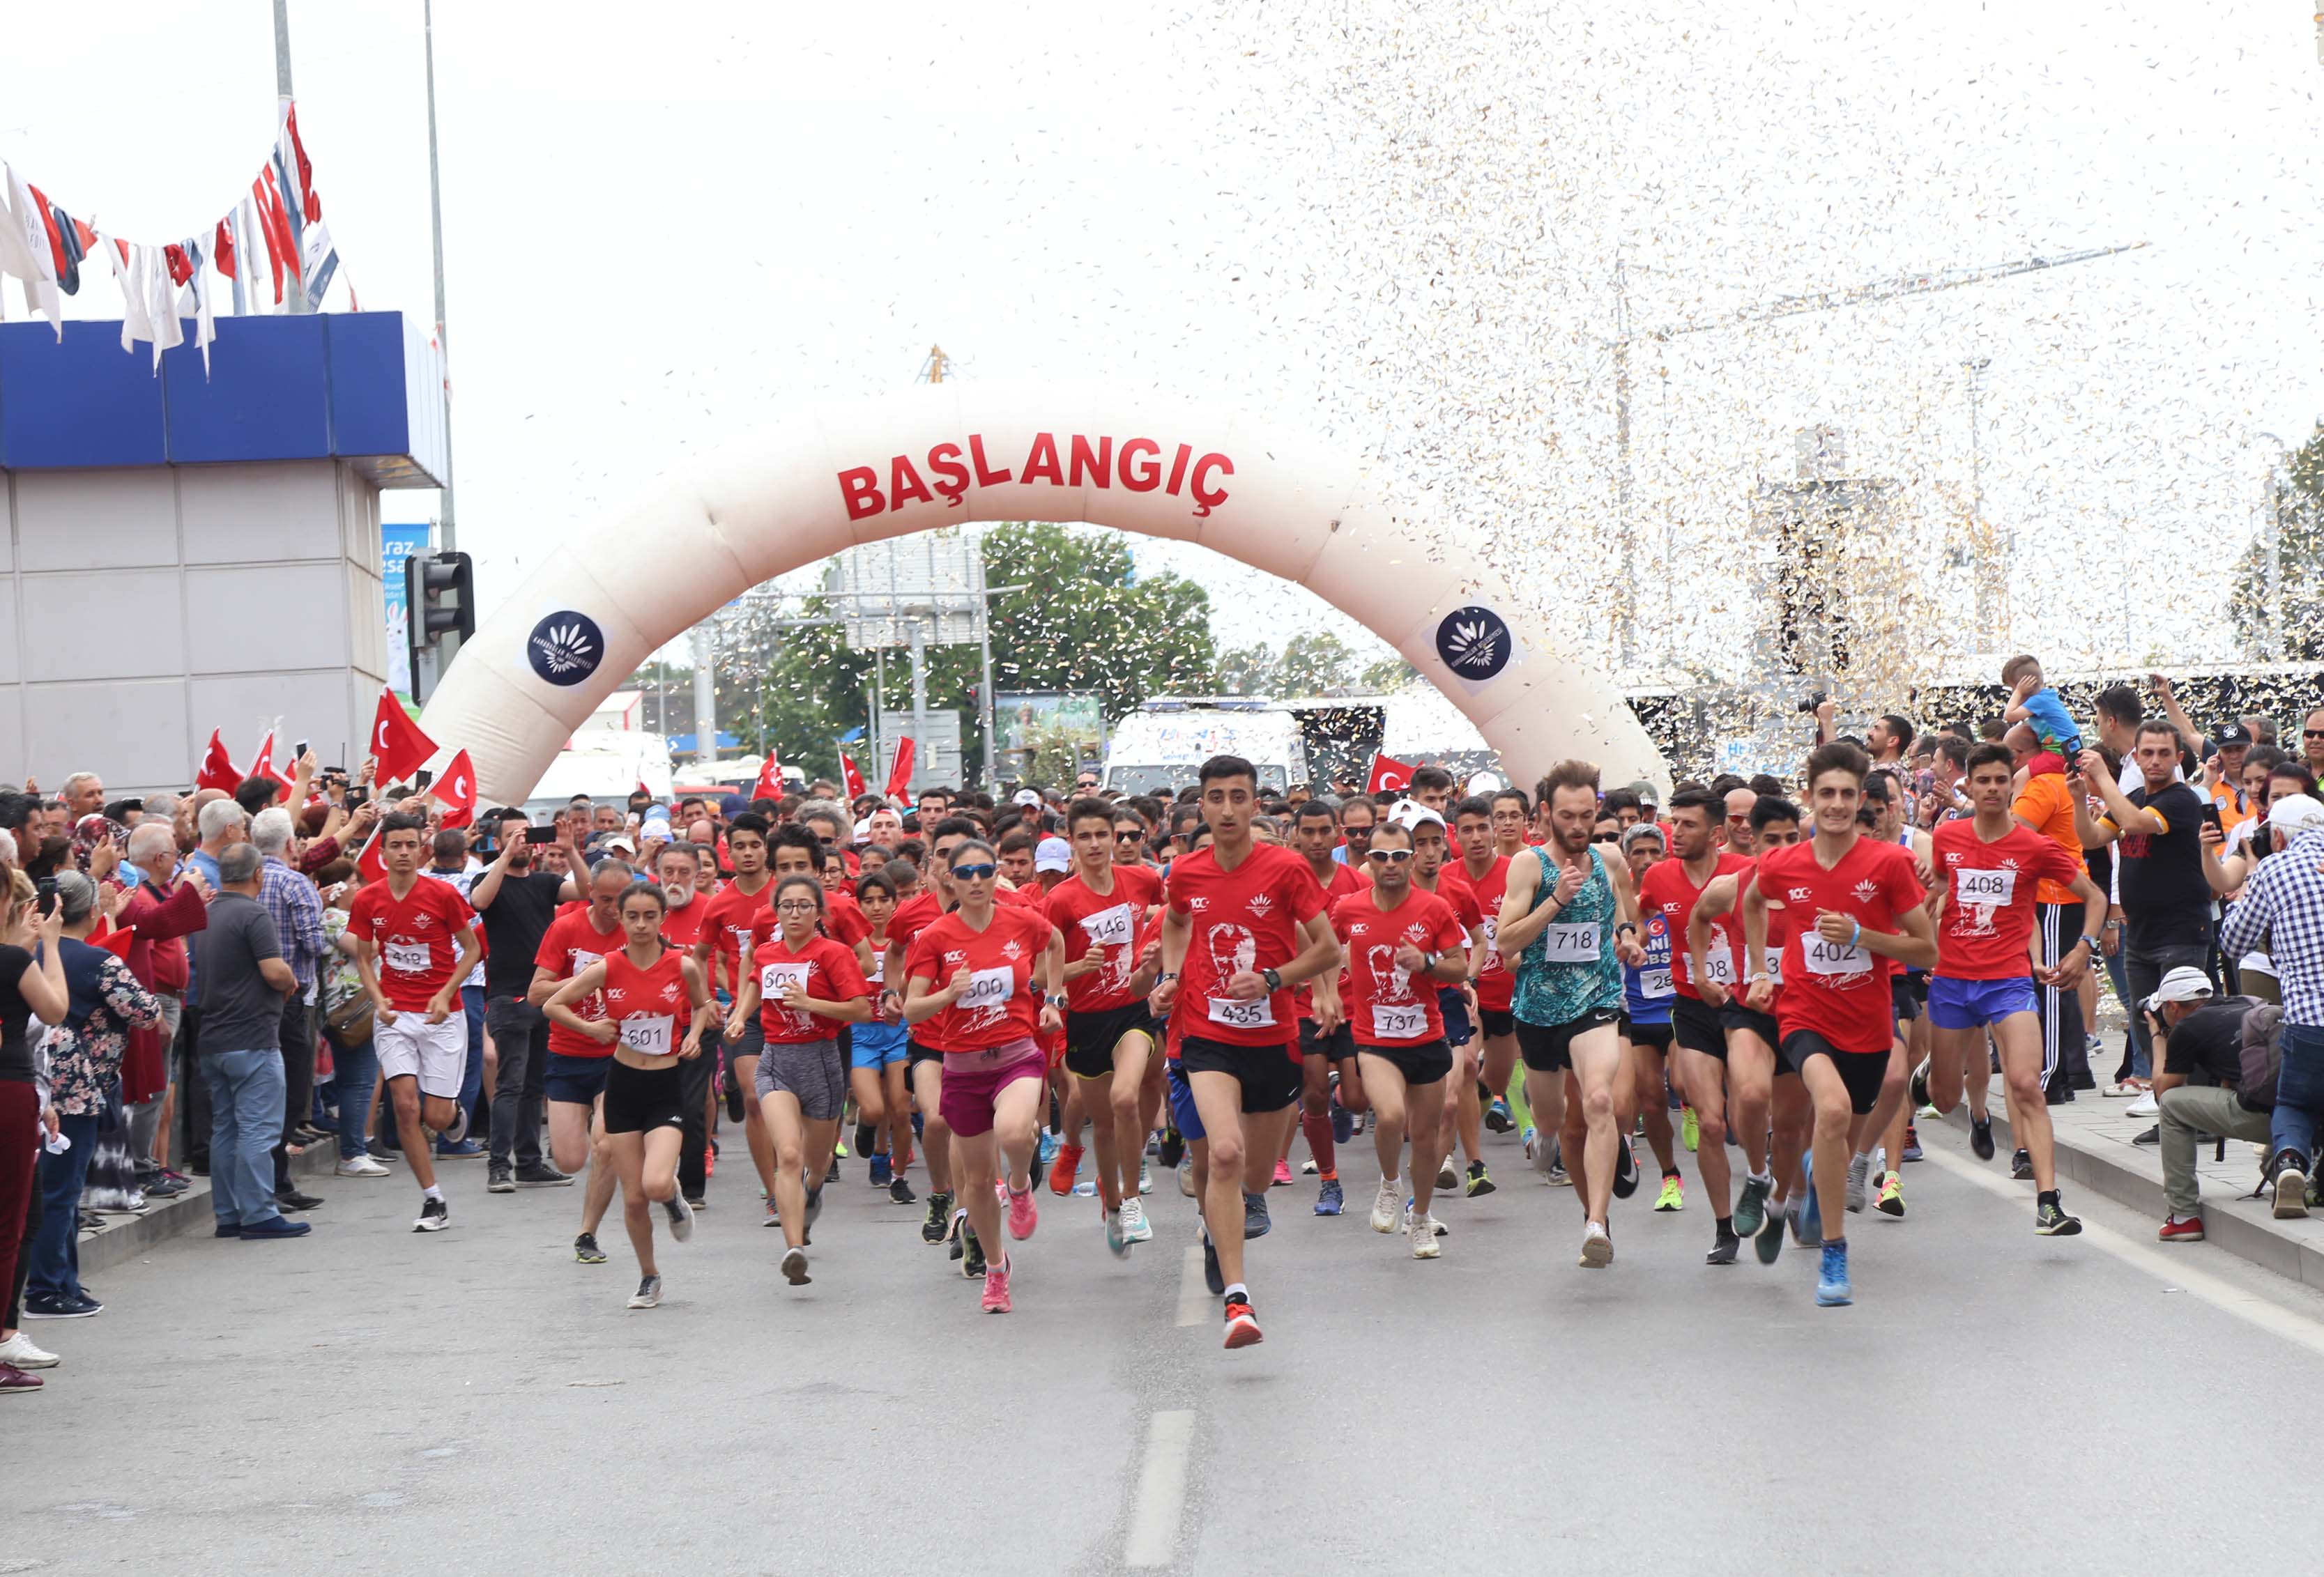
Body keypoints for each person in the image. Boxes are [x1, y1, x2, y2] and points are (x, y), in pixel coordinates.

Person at [1151, 755, 1340, 1348]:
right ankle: (1239, 1300)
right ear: (1200, 807)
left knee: (1253, 1174)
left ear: (1256, 805)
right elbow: (1177, 923)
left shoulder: (1286, 869)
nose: (1228, 808)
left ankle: (1230, 1212)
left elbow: (1329, 950)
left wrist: (1275, 979)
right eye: (1216, 797)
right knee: (1225, 1154)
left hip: (1273, 1036)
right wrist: (1175, 975)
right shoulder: (1185, 871)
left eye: (1239, 797)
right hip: (1207, 1032)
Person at [1741, 742, 1937, 1307]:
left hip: (1868, 1026)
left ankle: (1813, 1169)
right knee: (1827, 1110)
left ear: (1861, 802)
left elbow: (1928, 950)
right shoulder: (1782, 863)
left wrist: (1860, 937)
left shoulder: (1889, 864)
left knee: (1841, 1129)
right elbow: (1754, 902)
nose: (1837, 804)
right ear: (1809, 797)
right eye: (1826, 793)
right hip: (1804, 1014)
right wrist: (1759, 968)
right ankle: (1834, 1250)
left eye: (1847, 794)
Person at [1915, 743, 2105, 1235]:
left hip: (2008, 980)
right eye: (1985, 781)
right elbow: (1938, 884)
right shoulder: (1949, 836)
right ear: (1970, 787)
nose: (1995, 789)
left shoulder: (2034, 846)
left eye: (2003, 780)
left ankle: (2048, 1202)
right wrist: (1926, 898)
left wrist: (2083, 948)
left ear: (2011, 785)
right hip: (1953, 981)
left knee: (2025, 1084)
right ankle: (1933, 1074)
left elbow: (2095, 896)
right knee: (1945, 1095)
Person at [903, 842, 1064, 1314]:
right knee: (974, 1182)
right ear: (948, 879)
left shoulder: (1020, 921)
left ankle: (1018, 1184)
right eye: (965, 872)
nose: (976, 880)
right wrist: (947, 994)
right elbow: (912, 1007)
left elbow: (1055, 942)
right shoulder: (935, 936)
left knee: (1016, 1131)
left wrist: (1054, 999)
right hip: (963, 1066)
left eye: (985, 871)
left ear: (997, 876)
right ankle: (996, 1269)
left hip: (1016, 1054)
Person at [1497, 761, 1643, 1269]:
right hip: (1539, 1011)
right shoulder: (1528, 865)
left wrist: (1626, 937)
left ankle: (1597, 1222)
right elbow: (1505, 941)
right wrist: (1556, 899)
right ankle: (1545, 1136)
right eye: (1567, 815)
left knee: (1599, 1098)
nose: (1579, 825)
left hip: (1597, 1001)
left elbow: (1621, 911)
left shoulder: (1607, 857)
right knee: (1553, 1119)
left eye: (1587, 814)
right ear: (1544, 814)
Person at [542, 882, 711, 1309]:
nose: (640, 924)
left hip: (666, 1087)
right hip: (622, 1086)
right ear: (621, 917)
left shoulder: (682, 964)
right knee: (634, 1197)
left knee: (654, 1183)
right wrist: (591, 1028)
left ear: (662, 919)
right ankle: (649, 1277)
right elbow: (552, 1005)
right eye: (632, 916)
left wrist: (691, 1035)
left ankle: (672, 1196)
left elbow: (703, 1005)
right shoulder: (607, 967)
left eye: (649, 916)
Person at [22, 872, 164, 1318]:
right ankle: (45, 1290)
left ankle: (63, 1282)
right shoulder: (96, 960)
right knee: (62, 1192)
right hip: (76, 1085)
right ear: (86, 911)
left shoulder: (29, 953)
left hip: (37, 1079)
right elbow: (146, 1012)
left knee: (56, 1189)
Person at [1333, 819, 1470, 1256]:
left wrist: (1427, 963)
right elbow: (1319, 947)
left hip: (1426, 1037)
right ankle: (1391, 1183)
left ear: (1411, 860)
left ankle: (1422, 1217)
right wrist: (1323, 992)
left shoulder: (1434, 908)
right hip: (1374, 1037)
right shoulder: (1348, 909)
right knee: (1390, 1117)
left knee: (1425, 1137)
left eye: (1398, 856)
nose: (1389, 865)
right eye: (1380, 857)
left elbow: (1459, 967)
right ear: (1367, 861)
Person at [729, 875, 873, 1285]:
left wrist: (811, 1003)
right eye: (787, 906)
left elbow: (862, 1009)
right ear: (776, 912)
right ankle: (794, 1249)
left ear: (818, 912)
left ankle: (812, 1190)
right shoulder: (768, 953)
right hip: (776, 1059)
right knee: (788, 1155)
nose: (795, 913)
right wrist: (740, 1017)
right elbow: (755, 985)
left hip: (821, 1062)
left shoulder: (834, 953)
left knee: (816, 1162)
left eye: (804, 906)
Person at [346, 814, 482, 1233]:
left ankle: (453, 1112)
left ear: (421, 850)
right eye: (395, 846)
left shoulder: (441, 895)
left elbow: (473, 950)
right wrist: (377, 997)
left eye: (410, 845)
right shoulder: (368, 899)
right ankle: (432, 1198)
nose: (403, 853)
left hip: (442, 1014)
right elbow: (364, 956)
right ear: (382, 853)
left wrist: (445, 993)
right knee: (405, 1106)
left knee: (436, 1118)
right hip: (396, 1015)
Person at [1046, 797, 1165, 1254]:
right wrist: (1078, 967)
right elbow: (1042, 975)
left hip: (1133, 1011)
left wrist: (1161, 962)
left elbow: (1173, 915)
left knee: (1125, 1098)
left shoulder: (1142, 879)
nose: (1096, 844)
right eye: (1085, 836)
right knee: (1105, 1125)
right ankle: (1114, 1205)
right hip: (1085, 1021)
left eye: (1103, 834)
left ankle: (1133, 1201)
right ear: (1072, 842)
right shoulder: (1060, 900)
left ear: (1115, 838)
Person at [2219, 794, 2324, 1218]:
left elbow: (2233, 942)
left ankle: (2289, 1164)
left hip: (2308, 1019)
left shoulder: (2277, 869)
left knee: (2295, 1102)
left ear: (2278, 835)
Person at [197, 845, 309, 1242]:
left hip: (213, 1039)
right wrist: (289, 979)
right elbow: (273, 969)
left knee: (226, 1129)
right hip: (251, 1037)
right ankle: (259, 1213)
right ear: (258, 874)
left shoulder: (206, 914)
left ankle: (228, 1214)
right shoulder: (253, 913)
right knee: (259, 1130)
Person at [533, 859, 635, 1263]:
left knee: (606, 1146)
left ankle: (587, 1233)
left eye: (620, 899)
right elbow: (538, 992)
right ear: (590, 891)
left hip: (617, 1055)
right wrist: (586, 979)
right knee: (570, 1160)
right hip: (568, 1053)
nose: (613, 908)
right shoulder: (566, 928)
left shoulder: (638, 931)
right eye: (605, 898)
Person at [469, 810, 575, 1194]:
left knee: (534, 1086)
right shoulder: (489, 879)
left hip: (544, 996)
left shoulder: (546, 882)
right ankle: (499, 1166)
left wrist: (570, 849)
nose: (522, 841)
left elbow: (588, 890)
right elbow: (479, 901)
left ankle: (529, 1163)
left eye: (526, 835)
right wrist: (503, 857)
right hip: (507, 998)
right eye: (512, 836)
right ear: (498, 842)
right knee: (510, 1085)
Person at [689, 813, 781, 1215]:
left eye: (754, 845)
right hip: (746, 1011)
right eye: (739, 846)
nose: (747, 853)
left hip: (798, 1010)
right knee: (754, 1097)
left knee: (799, 1102)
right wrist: (707, 999)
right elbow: (702, 955)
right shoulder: (719, 904)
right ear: (728, 850)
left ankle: (798, 1169)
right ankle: (775, 1191)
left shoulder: (787, 892)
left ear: (766, 848)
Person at [2144, 970, 2273, 1240]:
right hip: (2304, 1116)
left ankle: (2183, 1216)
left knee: (2171, 1105)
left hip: (2262, 1118)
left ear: (2173, 1006)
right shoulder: (2249, 1003)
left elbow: (2161, 1091)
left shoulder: (2188, 1027)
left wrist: (2157, 1038)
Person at [1287, 798, 1368, 1215]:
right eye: (1308, 832)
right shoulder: (1286, 878)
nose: (1317, 840)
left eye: (1324, 831)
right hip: (1302, 1005)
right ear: (1296, 835)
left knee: (1357, 1100)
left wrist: (1337, 990)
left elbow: (1357, 940)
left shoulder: (1355, 883)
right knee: (1314, 1092)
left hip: (1354, 1003)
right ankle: (1329, 1182)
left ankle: (1344, 1096)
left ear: (1337, 832)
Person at [848, 869, 917, 1204]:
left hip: (897, 1034)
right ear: (858, 905)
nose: (876, 907)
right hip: (861, 1035)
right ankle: (871, 1134)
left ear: (895, 903)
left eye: (884, 900)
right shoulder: (851, 944)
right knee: (874, 1109)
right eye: (868, 901)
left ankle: (898, 1175)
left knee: (901, 1109)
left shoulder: (903, 943)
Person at [2001, 654, 2081, 755]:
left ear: (2026, 686)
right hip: (2068, 750)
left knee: (2020, 771)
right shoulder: (2047, 696)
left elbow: (2009, 716)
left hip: (2060, 753)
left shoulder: (2038, 701)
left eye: (2013, 688)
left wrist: (2018, 692)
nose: (2013, 694)